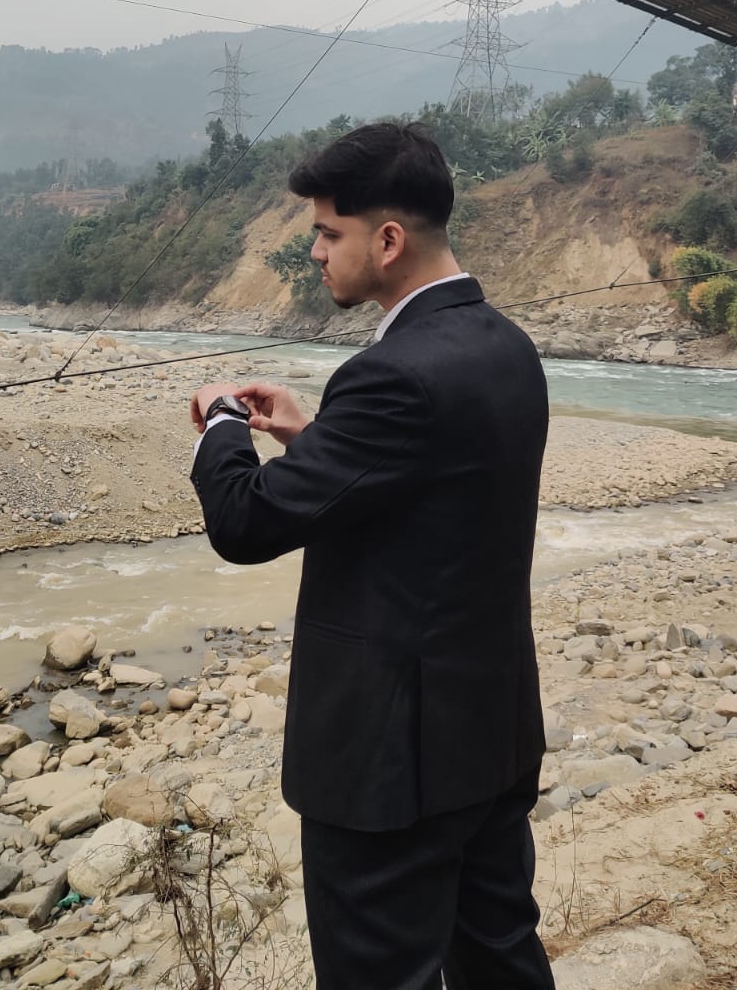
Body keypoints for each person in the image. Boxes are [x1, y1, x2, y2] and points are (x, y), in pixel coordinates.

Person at [189, 122, 554, 989]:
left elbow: (245, 525)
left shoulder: (390, 374)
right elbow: (431, 494)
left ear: (387, 241)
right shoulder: (506, 346)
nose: (314, 252)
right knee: (500, 957)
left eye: (327, 232)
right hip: (490, 732)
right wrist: (314, 435)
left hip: (392, 764)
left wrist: (224, 426)